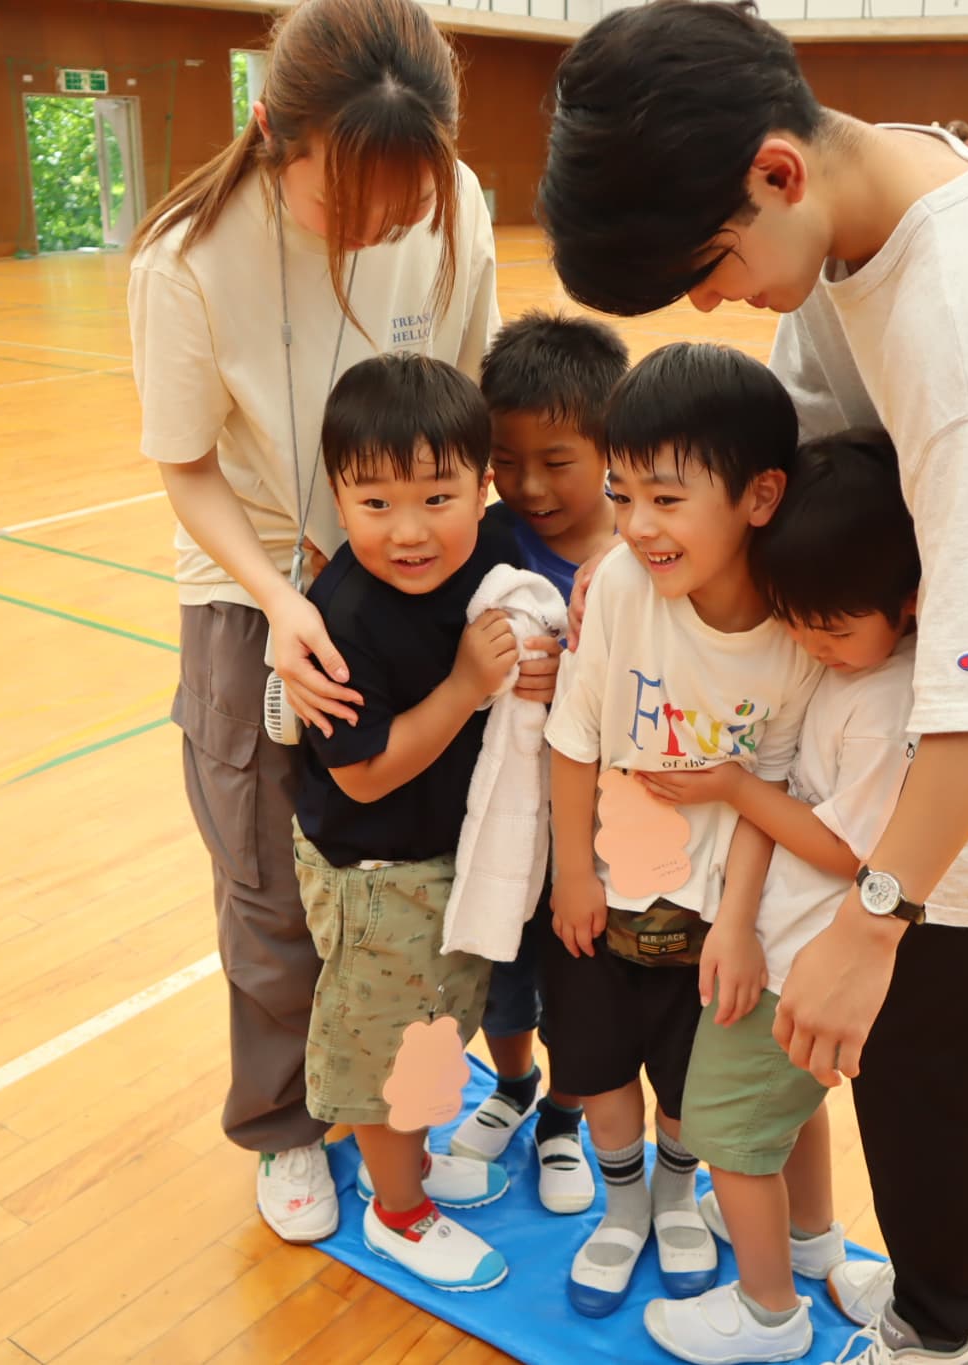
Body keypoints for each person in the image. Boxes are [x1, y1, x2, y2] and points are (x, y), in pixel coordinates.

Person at [537, 4, 968, 1363]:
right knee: (965, 1070)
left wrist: (877, 919)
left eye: (711, 263)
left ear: (777, 170)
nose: (716, 300)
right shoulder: (874, 194)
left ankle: (947, 1331)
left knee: (913, 1081)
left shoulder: (964, 334)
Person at [127, 0, 554, 1246]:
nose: (374, 228)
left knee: (426, 863)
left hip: (425, 573)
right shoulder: (188, 262)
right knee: (271, 874)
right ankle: (282, 1127)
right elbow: (187, 462)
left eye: (400, 204)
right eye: (343, 203)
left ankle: (397, 1096)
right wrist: (280, 600)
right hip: (258, 588)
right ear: (270, 133)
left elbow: (463, 403)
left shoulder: (452, 201)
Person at [541, 342, 823, 1319]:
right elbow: (572, 738)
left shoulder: (797, 640)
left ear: (758, 496)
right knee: (597, 1067)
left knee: (685, 1080)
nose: (635, 526)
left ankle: (675, 1194)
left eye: (665, 499)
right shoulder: (619, 586)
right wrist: (571, 872)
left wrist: (738, 923)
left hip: (703, 908)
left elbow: (764, 799)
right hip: (602, 890)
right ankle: (622, 1211)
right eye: (622, 497)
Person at [638, 431, 920, 1365]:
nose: (813, 644)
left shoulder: (884, 705)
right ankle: (813, 1247)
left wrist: (732, 786)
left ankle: (767, 1311)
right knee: (789, 1113)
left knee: (728, 1135)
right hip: (787, 948)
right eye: (798, 621)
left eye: (835, 627)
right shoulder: (851, 674)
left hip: (802, 957)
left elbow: (852, 850)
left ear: (909, 604)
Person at [293, 351, 523, 1290]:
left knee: (435, 1027)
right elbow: (363, 777)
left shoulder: (493, 558)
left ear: (483, 489)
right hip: (374, 872)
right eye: (375, 503)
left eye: (437, 496)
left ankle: (412, 1164)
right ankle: (397, 1211)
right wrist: (471, 685)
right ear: (337, 503)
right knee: (393, 1041)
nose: (409, 530)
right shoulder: (343, 614)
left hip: (442, 858)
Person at [447, 312, 630, 1215]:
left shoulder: (647, 553)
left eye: (555, 461)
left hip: (603, 839)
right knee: (501, 972)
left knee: (581, 986)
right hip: (505, 821)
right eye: (504, 462)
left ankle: (565, 1112)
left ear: (610, 446)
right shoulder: (484, 540)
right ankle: (511, 1086)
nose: (526, 486)